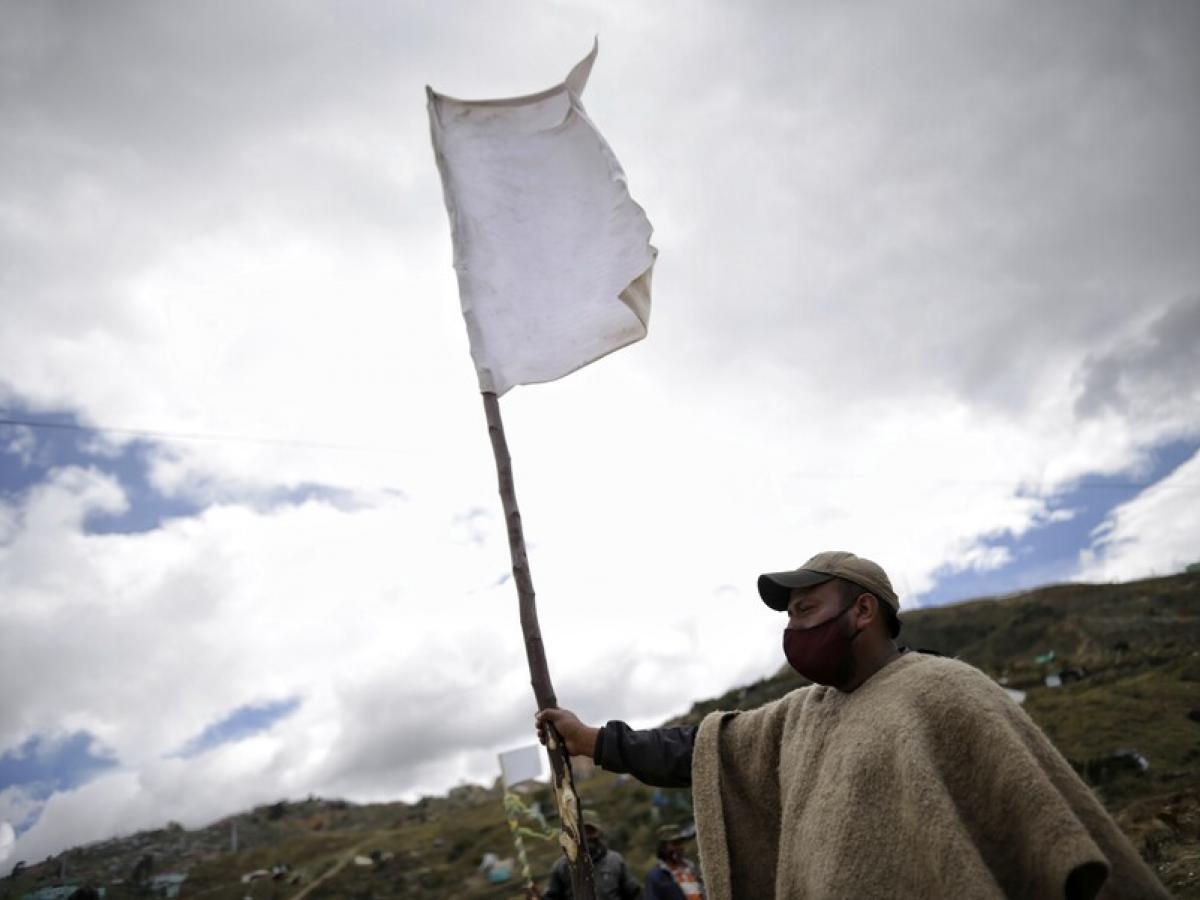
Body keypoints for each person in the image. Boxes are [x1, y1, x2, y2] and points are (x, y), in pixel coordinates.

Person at [537, 551, 1171, 899]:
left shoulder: (944, 694)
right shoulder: (800, 716)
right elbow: (703, 749)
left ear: (863, 610)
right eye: (786, 617)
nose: (793, 628)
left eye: (806, 608)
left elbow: (1051, 834)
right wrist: (593, 741)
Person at [542, 809, 641, 900]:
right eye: (582, 831)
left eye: (591, 831)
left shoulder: (615, 861)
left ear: (599, 832)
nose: (586, 837)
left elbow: (635, 894)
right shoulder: (562, 867)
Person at [644, 824, 705, 899]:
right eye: (674, 844)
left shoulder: (692, 868)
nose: (679, 847)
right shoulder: (656, 877)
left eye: (680, 843)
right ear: (663, 848)